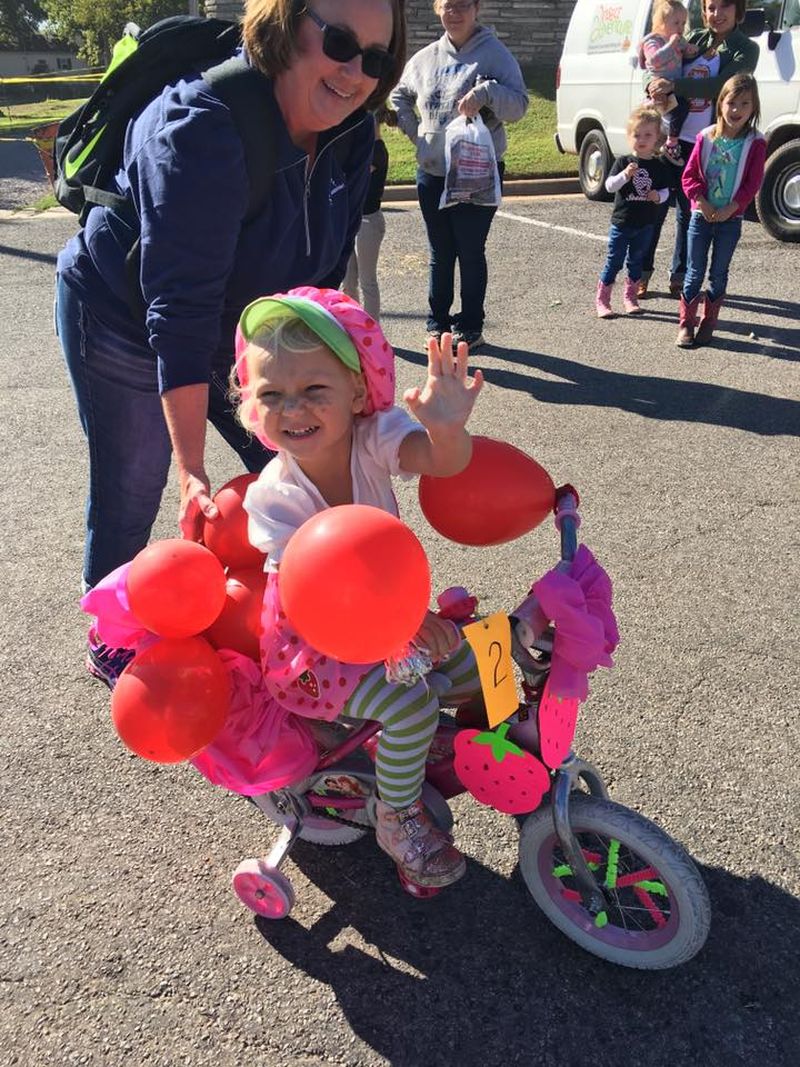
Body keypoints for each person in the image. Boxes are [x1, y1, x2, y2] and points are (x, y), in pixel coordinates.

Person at [55, 0, 406, 687]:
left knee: (309, 469)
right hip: (129, 314)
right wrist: (193, 468)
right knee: (137, 482)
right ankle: (116, 631)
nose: (356, 71)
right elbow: (179, 314)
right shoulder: (203, 129)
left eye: (378, 57)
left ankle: (317, 625)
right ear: (285, 21)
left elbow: (315, 291)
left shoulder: (353, 133)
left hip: (249, 331)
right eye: (338, 41)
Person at [233, 285, 485, 889]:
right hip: (313, 649)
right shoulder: (275, 495)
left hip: (383, 616)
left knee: (476, 658)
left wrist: (446, 427)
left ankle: (446, 755)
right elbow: (322, 593)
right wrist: (403, 625)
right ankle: (397, 817)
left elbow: (440, 460)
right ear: (251, 406)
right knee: (412, 701)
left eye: (313, 390)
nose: (292, 409)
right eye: (272, 395)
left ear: (355, 390)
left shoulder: (373, 439)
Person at [390, 0, 528, 351]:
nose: (455, 12)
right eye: (448, 5)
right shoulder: (425, 59)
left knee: (469, 250)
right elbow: (398, 95)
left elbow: (519, 106)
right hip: (433, 173)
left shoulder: (495, 55)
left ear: (477, 8)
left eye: (463, 5)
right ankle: (437, 325)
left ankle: (471, 326)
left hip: (477, 175)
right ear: (438, 9)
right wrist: (415, 133)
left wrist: (486, 93)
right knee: (440, 252)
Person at [639, 0, 758, 298]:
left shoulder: (745, 48)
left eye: (724, 7)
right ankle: (641, 272)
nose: (716, 15)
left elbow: (722, 86)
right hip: (669, 137)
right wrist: (652, 85)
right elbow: (654, 64)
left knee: (687, 212)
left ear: (738, 10)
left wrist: (673, 86)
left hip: (703, 143)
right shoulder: (693, 39)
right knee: (653, 206)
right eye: (710, 7)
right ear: (703, 11)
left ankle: (678, 275)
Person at [676, 73, 765, 347]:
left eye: (745, 104)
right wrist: (700, 201)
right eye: (731, 103)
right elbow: (688, 176)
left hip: (730, 219)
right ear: (720, 104)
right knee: (694, 271)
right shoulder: (706, 137)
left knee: (718, 273)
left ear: (754, 108)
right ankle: (686, 324)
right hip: (701, 216)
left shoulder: (755, 142)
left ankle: (708, 323)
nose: (736, 110)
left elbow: (753, 182)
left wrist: (733, 207)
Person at [595, 107, 673, 318]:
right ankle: (603, 300)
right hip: (622, 222)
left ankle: (631, 298)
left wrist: (658, 197)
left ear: (657, 138)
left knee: (636, 261)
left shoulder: (658, 166)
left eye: (648, 135)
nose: (642, 139)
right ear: (630, 137)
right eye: (637, 134)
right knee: (614, 261)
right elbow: (610, 186)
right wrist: (624, 176)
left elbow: (666, 191)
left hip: (646, 223)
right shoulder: (623, 162)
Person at [341, 106, 392, 321]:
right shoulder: (361, 148)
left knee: (367, 280)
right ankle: (351, 325)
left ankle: (371, 331)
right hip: (351, 219)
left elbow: (353, 177)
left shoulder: (376, 150)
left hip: (368, 221)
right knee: (348, 279)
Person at [639, 0, 699, 166]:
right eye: (676, 23)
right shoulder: (653, 41)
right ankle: (671, 143)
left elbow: (685, 52)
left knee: (679, 109)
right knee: (680, 108)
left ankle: (667, 140)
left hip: (671, 84)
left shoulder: (678, 41)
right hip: (659, 84)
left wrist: (689, 49)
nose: (680, 27)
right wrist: (672, 44)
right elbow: (654, 60)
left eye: (683, 23)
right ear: (662, 23)